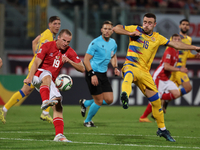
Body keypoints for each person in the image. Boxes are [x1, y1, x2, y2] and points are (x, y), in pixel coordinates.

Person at [113, 13, 200, 142]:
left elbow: (176, 45)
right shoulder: (136, 29)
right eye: (145, 22)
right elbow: (116, 28)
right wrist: (129, 33)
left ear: (154, 24)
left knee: (156, 101)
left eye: (149, 23)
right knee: (129, 74)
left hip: (145, 73)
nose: (146, 25)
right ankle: (124, 95)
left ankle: (162, 129)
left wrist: (194, 48)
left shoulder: (158, 38)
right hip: (131, 65)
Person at [24, 29, 85, 142]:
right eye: (64, 40)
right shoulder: (47, 45)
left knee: (58, 104)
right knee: (47, 75)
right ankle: (45, 101)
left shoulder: (69, 51)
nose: (65, 43)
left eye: (68, 41)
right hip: (38, 75)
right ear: (58, 38)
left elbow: (82, 68)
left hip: (50, 81)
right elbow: (36, 62)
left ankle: (59, 135)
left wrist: (69, 62)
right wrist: (30, 77)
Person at [0, 16, 61, 124]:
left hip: (36, 65)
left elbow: (34, 42)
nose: (57, 26)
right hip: (38, 67)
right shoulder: (48, 37)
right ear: (49, 24)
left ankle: (4, 109)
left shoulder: (46, 33)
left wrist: (36, 57)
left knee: (26, 90)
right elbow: (43, 48)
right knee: (51, 90)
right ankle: (45, 113)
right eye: (54, 24)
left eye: (59, 24)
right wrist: (39, 61)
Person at [79, 21, 120, 127]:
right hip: (92, 72)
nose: (107, 31)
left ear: (112, 31)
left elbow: (113, 55)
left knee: (110, 100)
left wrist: (115, 67)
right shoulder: (95, 43)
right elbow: (86, 60)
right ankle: (87, 121)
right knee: (99, 101)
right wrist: (92, 74)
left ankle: (86, 103)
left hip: (103, 74)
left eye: (109, 29)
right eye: (105, 29)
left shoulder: (113, 43)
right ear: (101, 30)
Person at [139, 34, 188, 122]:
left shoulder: (177, 51)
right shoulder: (169, 50)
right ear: (171, 41)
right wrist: (180, 69)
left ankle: (160, 97)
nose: (177, 41)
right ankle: (143, 117)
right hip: (159, 77)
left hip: (165, 78)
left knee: (176, 93)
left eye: (178, 40)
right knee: (154, 98)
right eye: (175, 39)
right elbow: (166, 67)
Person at [163, 19, 200, 112]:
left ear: (189, 27)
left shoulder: (189, 39)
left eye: (187, 25)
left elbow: (186, 54)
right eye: (183, 24)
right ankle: (162, 102)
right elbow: (168, 51)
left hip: (181, 68)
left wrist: (194, 55)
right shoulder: (175, 39)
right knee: (188, 88)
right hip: (176, 68)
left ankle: (161, 105)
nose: (185, 26)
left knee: (171, 92)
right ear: (179, 26)